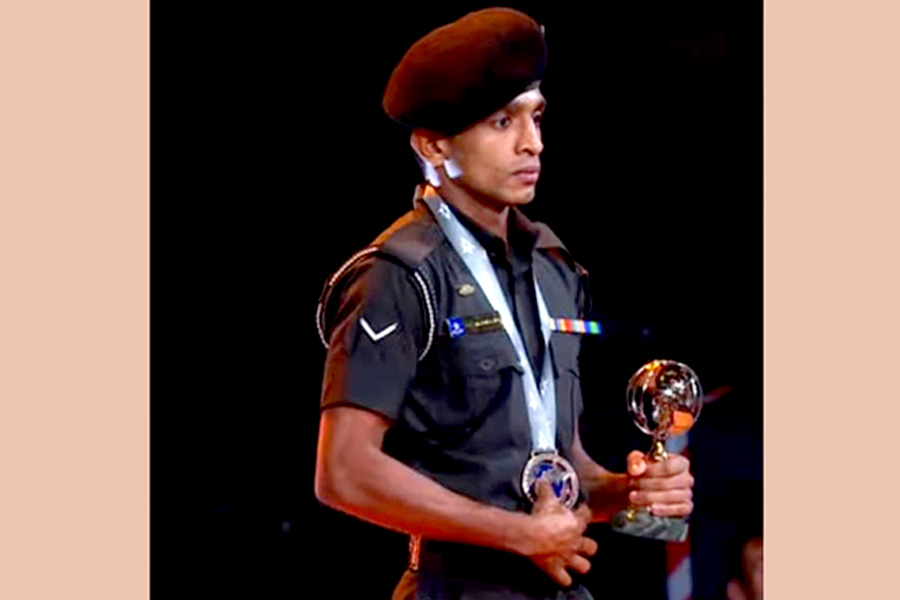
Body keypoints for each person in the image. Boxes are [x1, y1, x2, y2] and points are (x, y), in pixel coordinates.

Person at [314, 8, 694, 599]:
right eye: (501, 122)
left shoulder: (554, 265)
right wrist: (518, 534)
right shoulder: (398, 275)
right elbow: (344, 472)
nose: (532, 142)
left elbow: (558, 467)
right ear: (434, 144)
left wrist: (630, 490)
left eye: (536, 116)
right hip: (453, 586)